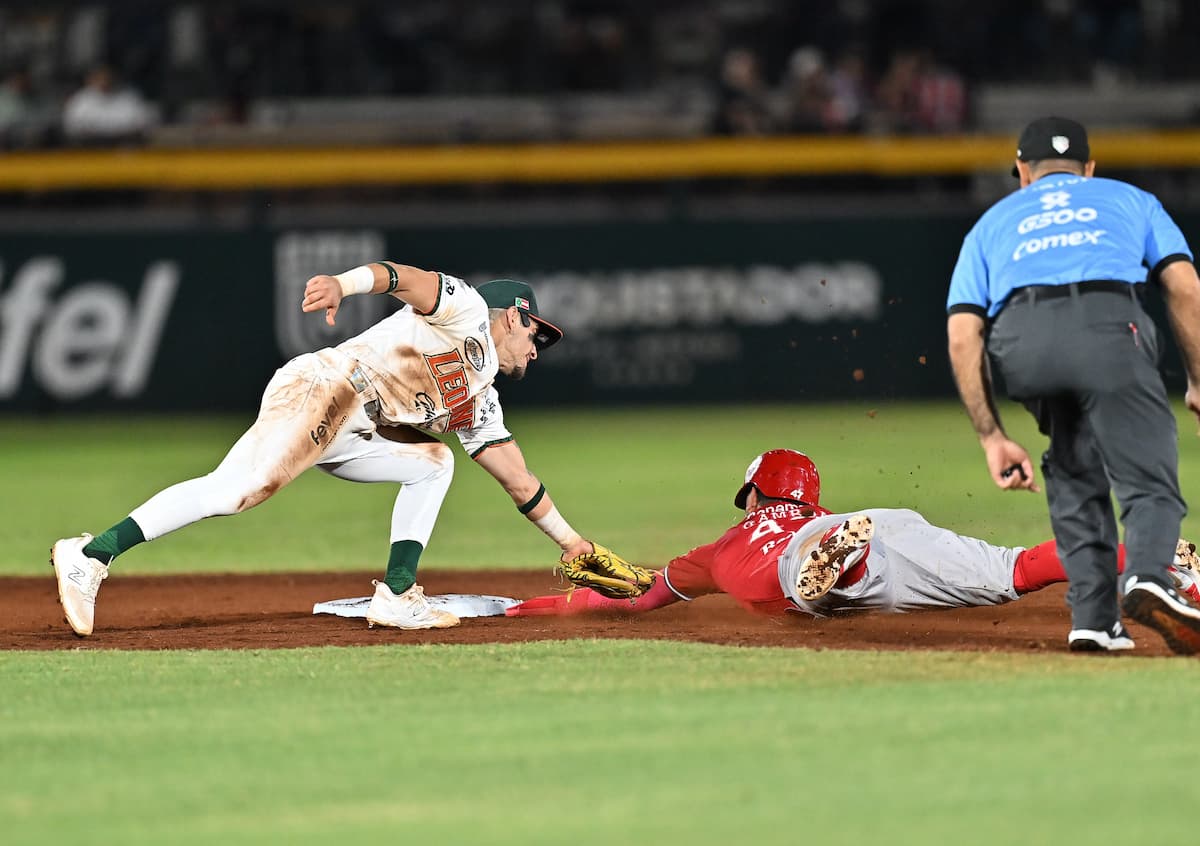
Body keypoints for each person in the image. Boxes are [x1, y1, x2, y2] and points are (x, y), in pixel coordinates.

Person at [52, 264, 610, 635]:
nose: (536, 352)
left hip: (361, 431)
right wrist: (343, 285)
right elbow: (402, 278)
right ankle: (92, 554)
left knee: (434, 464)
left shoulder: (479, 397)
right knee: (238, 491)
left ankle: (396, 595)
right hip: (330, 388)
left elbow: (515, 477)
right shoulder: (465, 310)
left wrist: (572, 543)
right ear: (513, 315)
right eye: (536, 336)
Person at [507, 449, 1200, 652]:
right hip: (881, 523)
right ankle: (1145, 551)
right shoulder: (831, 510)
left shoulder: (722, 543)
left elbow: (636, 598)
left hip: (815, 555)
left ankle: (822, 575)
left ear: (751, 493)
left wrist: (521, 609)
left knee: (782, 582)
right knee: (1014, 570)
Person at [945, 116, 1200, 654]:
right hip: (1107, 326)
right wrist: (1197, 379)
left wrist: (991, 435)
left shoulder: (992, 222)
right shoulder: (1131, 199)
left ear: (1022, 172)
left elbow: (963, 335)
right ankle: (1149, 577)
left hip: (1020, 340)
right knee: (1148, 477)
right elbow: (1185, 286)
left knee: (1072, 459)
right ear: (1087, 169)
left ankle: (1093, 619)